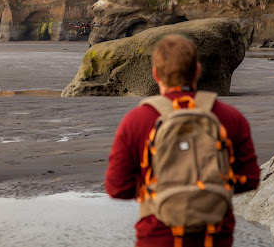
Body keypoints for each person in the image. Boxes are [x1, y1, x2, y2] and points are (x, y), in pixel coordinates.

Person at [105, 34, 260, 247]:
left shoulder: (137, 121)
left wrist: (157, 190)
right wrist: (209, 186)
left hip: (158, 236)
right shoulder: (230, 118)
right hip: (214, 236)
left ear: (156, 74)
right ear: (197, 71)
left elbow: (117, 188)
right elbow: (250, 179)